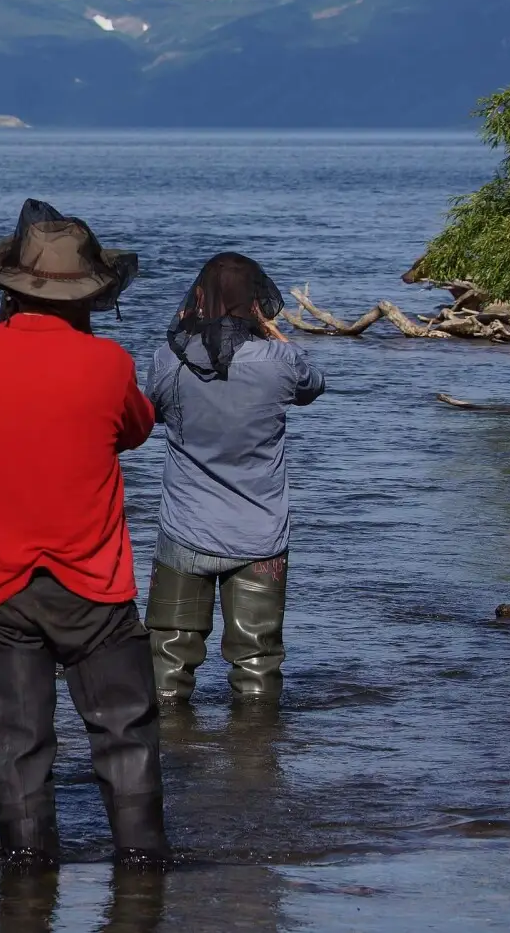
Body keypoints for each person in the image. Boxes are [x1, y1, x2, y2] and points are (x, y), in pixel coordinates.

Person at [0, 199, 167, 867]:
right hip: (94, 583)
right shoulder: (109, 362)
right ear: (88, 295)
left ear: (11, 289)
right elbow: (137, 430)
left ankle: (27, 871)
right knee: (125, 734)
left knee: (17, 741)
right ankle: (141, 867)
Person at [144, 253, 326, 702]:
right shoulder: (281, 361)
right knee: (258, 663)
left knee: (166, 663)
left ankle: (168, 759)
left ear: (198, 300)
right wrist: (274, 333)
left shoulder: (169, 360)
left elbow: (151, 413)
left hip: (185, 531)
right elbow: (314, 385)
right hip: (260, 536)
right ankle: (256, 761)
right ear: (257, 304)